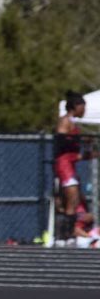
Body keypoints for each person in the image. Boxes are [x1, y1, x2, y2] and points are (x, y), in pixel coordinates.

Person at [54, 91, 94, 245]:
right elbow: (61, 139)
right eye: (83, 107)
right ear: (76, 106)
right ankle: (64, 236)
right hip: (64, 166)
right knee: (71, 201)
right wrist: (78, 140)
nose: (84, 111)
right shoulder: (65, 121)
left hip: (70, 164)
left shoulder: (73, 122)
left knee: (75, 200)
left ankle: (69, 235)